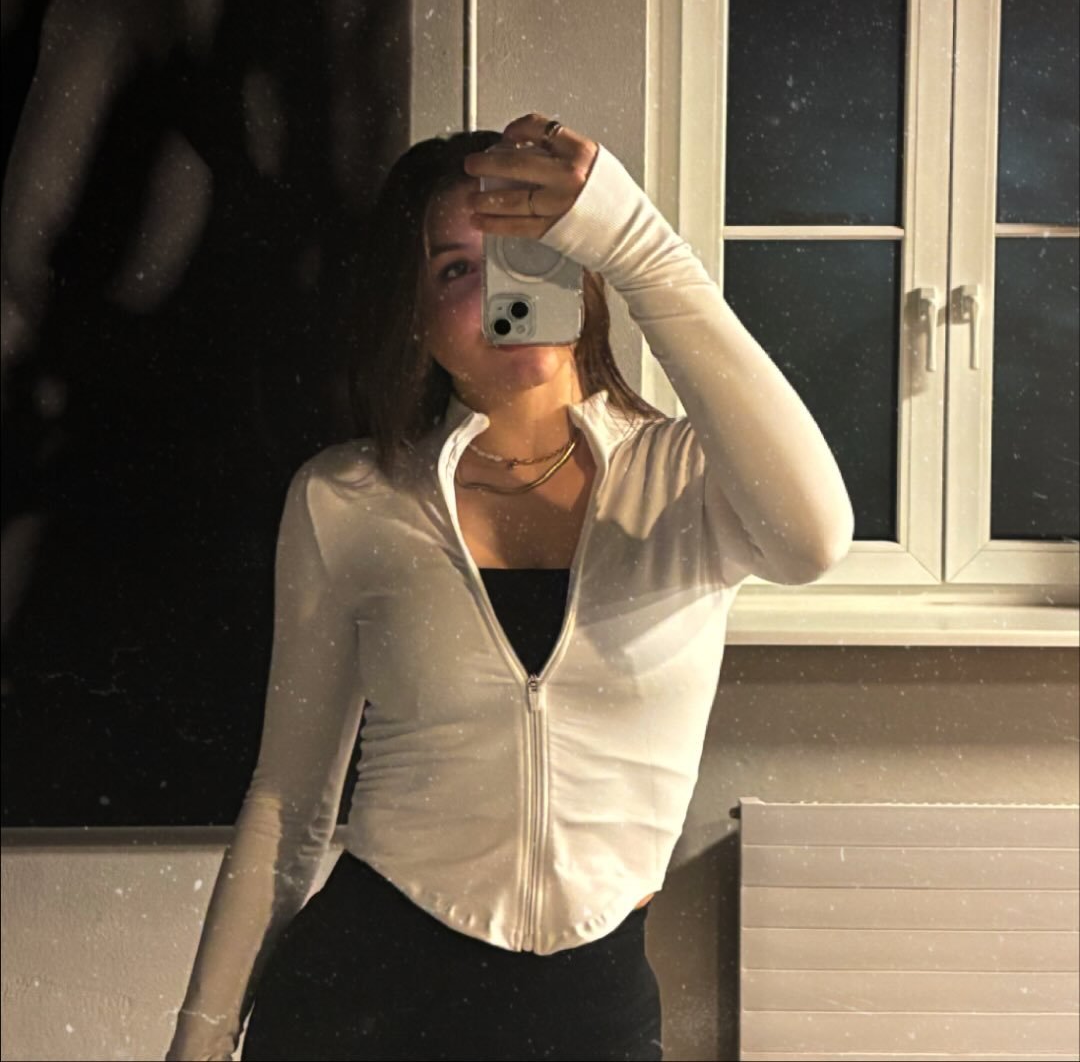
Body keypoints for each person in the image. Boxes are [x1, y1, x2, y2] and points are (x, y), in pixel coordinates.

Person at [165, 111, 854, 1062]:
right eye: (456, 270)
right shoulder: (348, 497)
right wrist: (200, 1039)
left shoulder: (693, 484)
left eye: (530, 252)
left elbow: (816, 541)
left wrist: (636, 241)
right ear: (412, 316)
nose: (501, 291)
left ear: (584, 265)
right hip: (358, 1009)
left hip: (591, 1015)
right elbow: (289, 802)